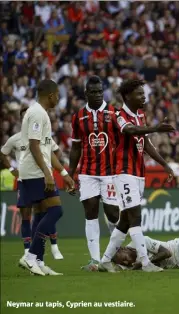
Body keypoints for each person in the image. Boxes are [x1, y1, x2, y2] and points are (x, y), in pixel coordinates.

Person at [98, 79, 175, 273]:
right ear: (127, 96)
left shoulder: (140, 114)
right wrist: (157, 128)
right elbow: (130, 130)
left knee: (124, 221)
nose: (144, 96)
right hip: (123, 173)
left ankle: (105, 261)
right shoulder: (118, 114)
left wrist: (165, 164)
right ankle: (145, 262)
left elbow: (146, 143)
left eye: (143, 93)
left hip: (138, 173)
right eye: (139, 93)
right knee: (135, 217)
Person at [17, 80, 75, 276]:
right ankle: (31, 257)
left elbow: (47, 150)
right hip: (35, 171)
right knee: (56, 210)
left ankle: (38, 262)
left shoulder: (43, 115)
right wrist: (48, 173)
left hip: (37, 169)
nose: (59, 98)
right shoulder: (36, 113)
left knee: (42, 213)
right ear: (50, 95)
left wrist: (64, 174)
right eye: (57, 94)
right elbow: (34, 146)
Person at [69, 76, 121, 271]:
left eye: (100, 91)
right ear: (86, 94)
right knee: (90, 212)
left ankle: (115, 253)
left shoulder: (114, 113)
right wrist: (70, 175)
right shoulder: (78, 117)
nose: (98, 95)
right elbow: (75, 148)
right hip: (88, 172)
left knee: (112, 213)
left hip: (110, 173)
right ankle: (95, 260)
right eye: (94, 92)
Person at [1, 107, 64, 259]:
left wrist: (52, 167)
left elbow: (56, 151)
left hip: (41, 178)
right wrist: (11, 168)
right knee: (26, 215)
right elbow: (3, 153)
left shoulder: (42, 136)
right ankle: (27, 252)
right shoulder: (15, 139)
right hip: (24, 181)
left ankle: (54, 246)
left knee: (46, 211)